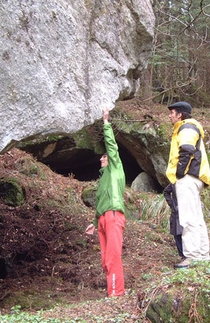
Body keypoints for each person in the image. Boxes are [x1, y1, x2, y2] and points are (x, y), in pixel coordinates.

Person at [165, 101, 210, 269]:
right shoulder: (189, 128)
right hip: (194, 177)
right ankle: (203, 256)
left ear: (180, 115)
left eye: (172, 112)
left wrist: (179, 173)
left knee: (188, 218)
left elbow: (186, 149)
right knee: (197, 218)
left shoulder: (186, 128)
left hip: (188, 178)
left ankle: (191, 257)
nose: (170, 115)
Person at [85, 107, 126, 297]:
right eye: (101, 157)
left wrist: (106, 123)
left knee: (112, 256)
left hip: (113, 215)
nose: (102, 158)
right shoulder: (102, 180)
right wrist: (94, 224)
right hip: (102, 218)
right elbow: (99, 202)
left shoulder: (115, 170)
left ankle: (116, 294)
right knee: (104, 259)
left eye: (104, 156)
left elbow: (112, 147)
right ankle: (112, 291)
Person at [163, 183, 185, 259]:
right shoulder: (174, 182)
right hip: (177, 213)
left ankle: (189, 256)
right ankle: (182, 256)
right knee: (177, 234)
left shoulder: (189, 181)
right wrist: (172, 205)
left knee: (187, 233)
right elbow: (166, 192)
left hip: (188, 212)